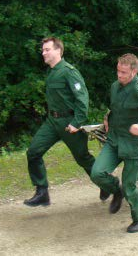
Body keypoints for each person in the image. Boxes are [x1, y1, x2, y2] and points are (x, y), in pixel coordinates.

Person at [24, 37, 108, 207]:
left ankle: (106, 183)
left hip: (70, 122)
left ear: (58, 50)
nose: (43, 53)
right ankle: (42, 192)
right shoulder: (52, 72)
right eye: (43, 50)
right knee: (33, 152)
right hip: (52, 122)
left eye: (47, 49)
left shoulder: (69, 72)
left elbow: (82, 99)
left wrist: (77, 122)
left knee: (82, 158)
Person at [90, 53, 138, 233]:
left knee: (130, 186)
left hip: (134, 144)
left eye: (123, 72)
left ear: (134, 72)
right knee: (97, 173)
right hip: (115, 139)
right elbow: (113, 107)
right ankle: (115, 190)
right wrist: (107, 117)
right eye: (118, 71)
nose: (119, 75)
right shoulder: (115, 87)